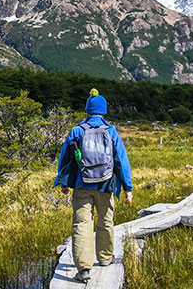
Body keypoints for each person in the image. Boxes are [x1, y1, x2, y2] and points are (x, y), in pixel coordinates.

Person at [54, 88, 134, 283]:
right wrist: (127, 188)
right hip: (106, 186)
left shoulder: (76, 131)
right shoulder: (111, 131)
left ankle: (84, 268)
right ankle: (105, 258)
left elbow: (65, 159)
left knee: (82, 224)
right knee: (105, 222)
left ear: (87, 110)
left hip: (82, 185)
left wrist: (64, 183)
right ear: (103, 111)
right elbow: (121, 161)